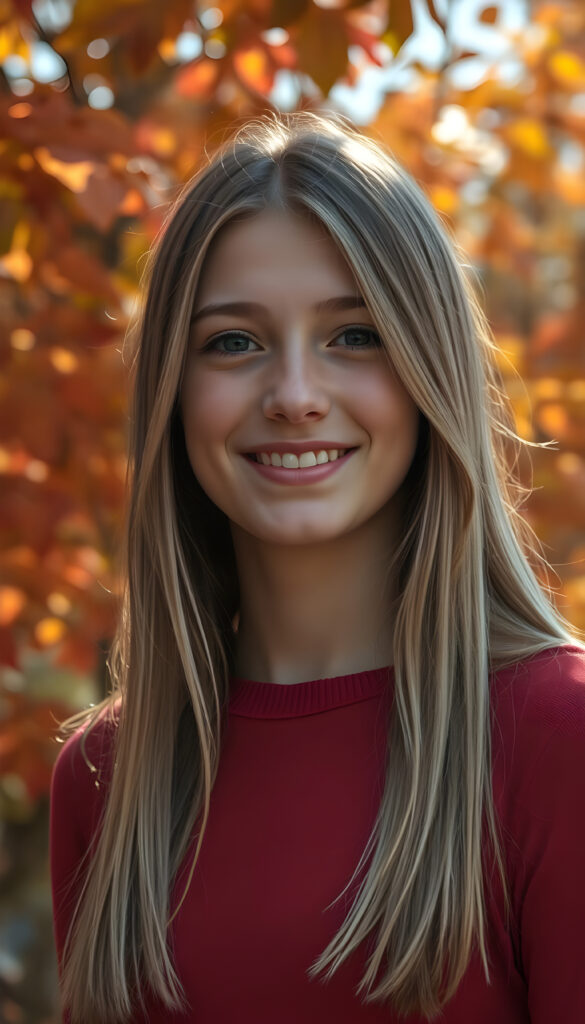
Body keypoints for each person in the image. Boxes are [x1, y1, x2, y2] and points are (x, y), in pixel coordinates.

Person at [49, 110, 585, 1024]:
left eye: (354, 335)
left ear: (430, 369)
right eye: (233, 341)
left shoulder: (558, 737)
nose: (294, 396)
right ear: (172, 389)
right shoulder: (106, 780)